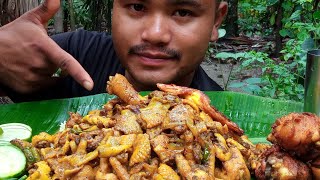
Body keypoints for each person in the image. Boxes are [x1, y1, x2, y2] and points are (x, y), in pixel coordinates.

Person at [0, 0, 227, 102]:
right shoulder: (76, 54)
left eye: (183, 12)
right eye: (137, 7)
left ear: (215, 22)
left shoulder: (218, 118)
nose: (155, 34)